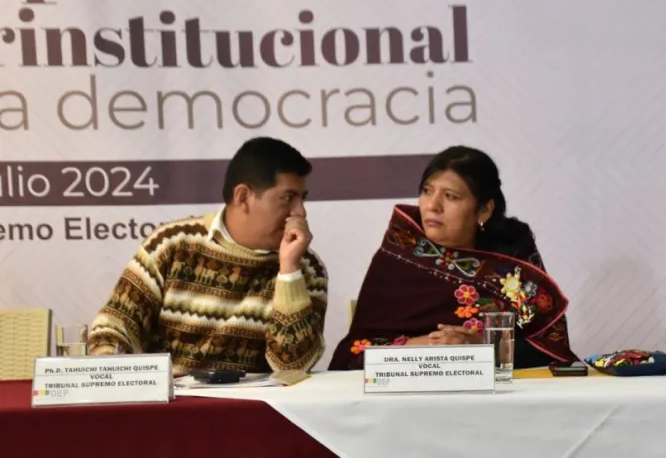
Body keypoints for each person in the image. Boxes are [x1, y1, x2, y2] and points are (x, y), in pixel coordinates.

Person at [87, 137, 329, 373]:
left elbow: (293, 367)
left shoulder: (305, 267)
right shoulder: (173, 245)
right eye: (287, 198)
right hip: (172, 408)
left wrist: (288, 273)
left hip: (256, 411)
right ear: (243, 197)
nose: (300, 212)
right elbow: (115, 322)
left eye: (302, 198)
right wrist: (110, 363)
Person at [328, 145, 578, 370]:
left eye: (450, 196)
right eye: (427, 191)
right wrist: (418, 347)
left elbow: (551, 347)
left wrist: (486, 346)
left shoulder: (511, 254)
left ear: (484, 210)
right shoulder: (399, 252)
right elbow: (354, 353)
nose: (432, 205)